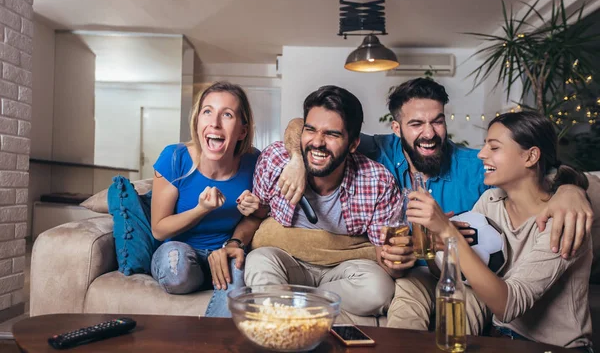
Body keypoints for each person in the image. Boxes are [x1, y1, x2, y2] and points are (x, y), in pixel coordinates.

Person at [277, 77, 593, 331]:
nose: (429, 133)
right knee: (404, 293)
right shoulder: (377, 153)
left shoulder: (477, 169)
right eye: (416, 124)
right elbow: (306, 128)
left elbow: (542, 171)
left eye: (437, 122)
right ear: (397, 129)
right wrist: (296, 159)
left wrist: (571, 189)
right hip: (408, 275)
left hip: (467, 277)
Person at [406, 111, 592, 350]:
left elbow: (509, 306)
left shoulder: (565, 219)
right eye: (485, 146)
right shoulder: (491, 201)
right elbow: (450, 269)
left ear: (531, 156)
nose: (481, 155)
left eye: (494, 148)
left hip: (556, 348)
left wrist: (447, 231)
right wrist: (439, 245)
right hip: (501, 338)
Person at [245, 85, 403, 318]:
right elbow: (259, 213)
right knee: (259, 260)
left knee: (379, 289)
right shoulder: (275, 160)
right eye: (311, 130)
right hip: (288, 262)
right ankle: (293, 306)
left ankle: (294, 301)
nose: (317, 142)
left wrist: (398, 258)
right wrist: (251, 206)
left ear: (353, 144)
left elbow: (384, 254)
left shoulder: (377, 180)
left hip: (343, 271)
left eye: (332, 134)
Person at [150, 81, 267, 317]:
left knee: (238, 276)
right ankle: (206, 278)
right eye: (207, 111)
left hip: (223, 251)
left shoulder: (254, 162)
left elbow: (258, 217)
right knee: (177, 270)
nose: (214, 123)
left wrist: (257, 210)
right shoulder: (175, 158)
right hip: (178, 248)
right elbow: (159, 230)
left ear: (242, 130)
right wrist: (200, 209)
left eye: (227, 114)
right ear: (197, 120)